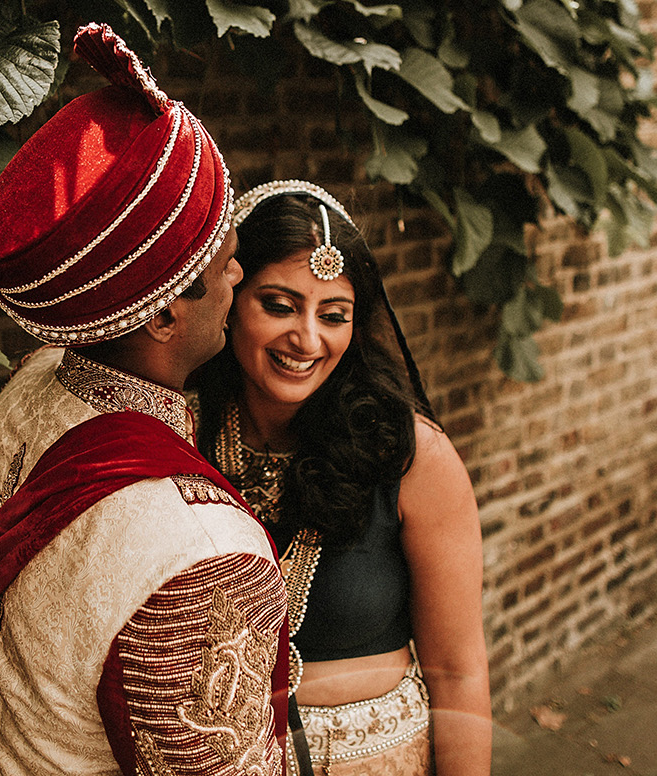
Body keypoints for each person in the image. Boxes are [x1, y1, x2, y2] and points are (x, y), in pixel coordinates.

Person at [0, 24, 290, 775]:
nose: (240, 281)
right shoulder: (200, 552)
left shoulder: (27, 392)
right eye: (228, 264)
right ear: (164, 312)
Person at [192, 181, 492, 776]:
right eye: (279, 305)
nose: (307, 339)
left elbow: (458, 672)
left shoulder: (412, 456)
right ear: (231, 296)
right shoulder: (181, 428)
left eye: (334, 316)